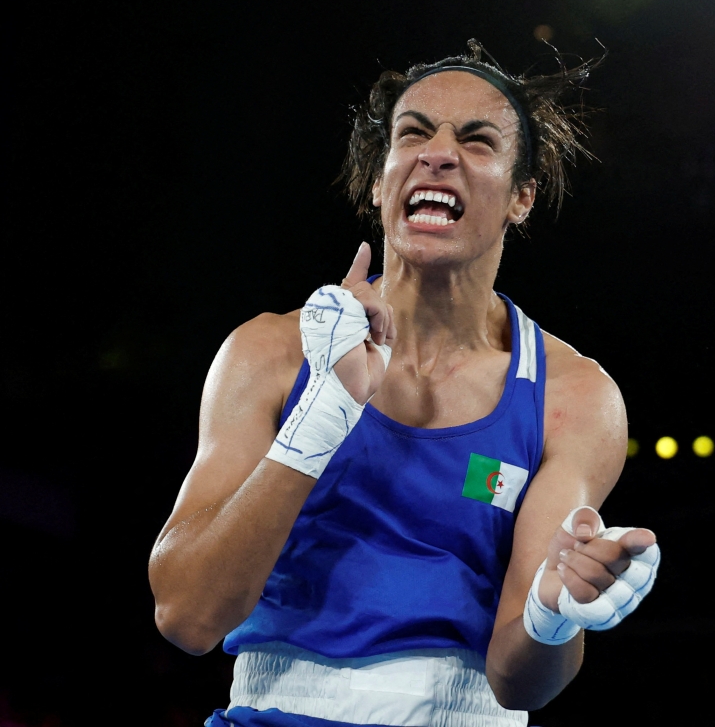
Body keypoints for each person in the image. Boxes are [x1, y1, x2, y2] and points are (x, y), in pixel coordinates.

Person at [149, 41, 660, 727]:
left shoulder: (573, 398)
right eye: (413, 132)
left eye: (477, 141)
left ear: (521, 196)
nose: (438, 152)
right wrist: (322, 413)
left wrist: (557, 611)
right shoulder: (268, 353)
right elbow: (186, 615)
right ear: (379, 180)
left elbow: (521, 683)